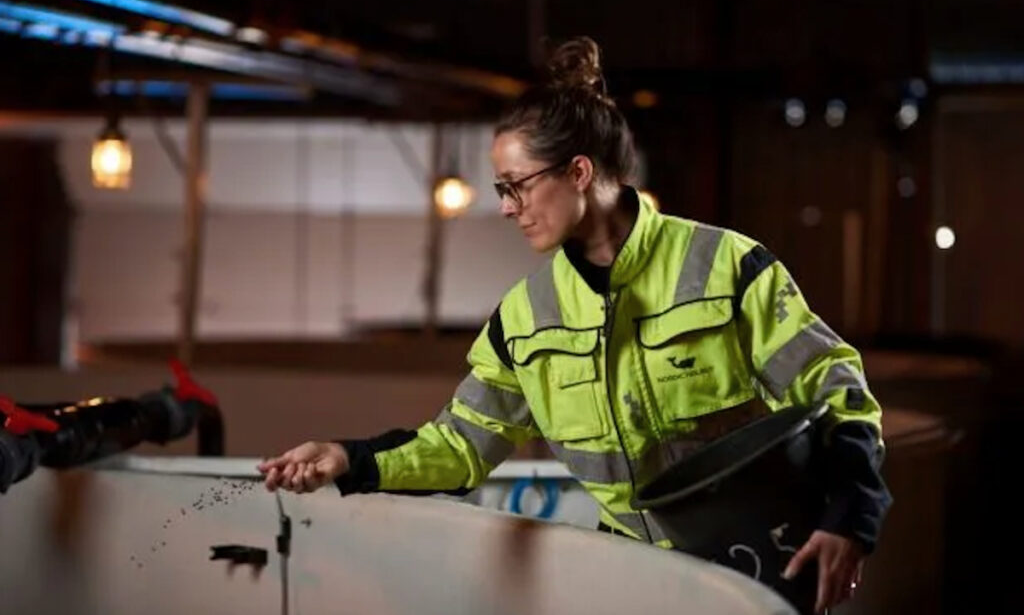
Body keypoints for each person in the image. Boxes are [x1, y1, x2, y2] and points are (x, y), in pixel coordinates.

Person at [258, 37, 891, 614]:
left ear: (579, 173)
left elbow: (835, 388)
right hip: (635, 583)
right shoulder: (524, 320)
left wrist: (851, 517)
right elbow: (459, 447)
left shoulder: (724, 267)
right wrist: (348, 457)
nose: (506, 208)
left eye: (516, 187)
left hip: (762, 578)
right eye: (500, 191)